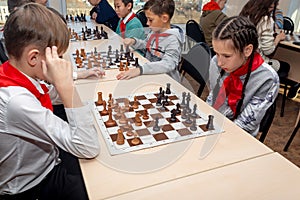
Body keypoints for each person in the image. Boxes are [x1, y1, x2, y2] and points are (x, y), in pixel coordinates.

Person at [0, 3, 100, 199]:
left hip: (48, 163)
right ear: (34, 57)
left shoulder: (16, 73)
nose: (61, 61)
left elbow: (50, 95)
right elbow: (88, 147)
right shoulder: (16, 101)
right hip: (31, 188)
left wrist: (70, 78)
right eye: (57, 56)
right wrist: (66, 87)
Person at [206, 16, 279, 136]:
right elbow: (211, 99)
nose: (219, 62)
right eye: (217, 53)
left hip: (239, 135)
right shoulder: (215, 62)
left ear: (247, 50)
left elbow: (246, 123)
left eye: (227, 56)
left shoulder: (267, 79)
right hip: (212, 124)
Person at [240, 0, 299, 100]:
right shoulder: (266, 20)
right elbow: (268, 50)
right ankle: (267, 94)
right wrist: (278, 38)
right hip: (258, 63)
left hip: (243, 60)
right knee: (286, 66)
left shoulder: (245, 14)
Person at [116, 0, 183, 82]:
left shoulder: (173, 40)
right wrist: (134, 41)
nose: (147, 23)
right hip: (150, 74)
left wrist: (140, 70)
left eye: (150, 20)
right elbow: (146, 44)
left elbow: (168, 64)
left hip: (166, 80)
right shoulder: (154, 31)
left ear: (164, 18)